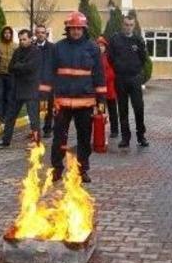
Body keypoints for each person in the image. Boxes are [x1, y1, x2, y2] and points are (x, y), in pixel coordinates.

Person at [39, 11, 106, 183]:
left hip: (85, 103)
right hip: (62, 103)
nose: (76, 31)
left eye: (79, 28)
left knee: (84, 139)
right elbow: (48, 74)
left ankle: (82, 170)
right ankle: (56, 169)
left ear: (84, 29)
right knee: (59, 139)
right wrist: (44, 99)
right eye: (72, 28)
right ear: (67, 29)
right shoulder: (58, 47)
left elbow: (99, 76)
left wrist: (102, 103)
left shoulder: (92, 48)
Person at [0, 29, 41, 148]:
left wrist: (19, 66)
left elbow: (31, 68)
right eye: (20, 39)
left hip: (31, 89)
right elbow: (10, 68)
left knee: (33, 118)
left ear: (31, 39)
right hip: (17, 88)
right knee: (10, 116)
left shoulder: (36, 52)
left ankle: (36, 141)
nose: (22, 42)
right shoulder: (17, 51)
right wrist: (21, 66)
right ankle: (6, 140)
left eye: (24, 39)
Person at [108, 15, 149, 148]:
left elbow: (144, 58)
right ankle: (125, 138)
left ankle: (141, 136)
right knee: (123, 109)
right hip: (120, 79)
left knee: (138, 108)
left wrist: (136, 69)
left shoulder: (138, 39)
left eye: (131, 25)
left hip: (135, 78)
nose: (128, 27)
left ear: (134, 25)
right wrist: (119, 68)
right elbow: (110, 57)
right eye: (126, 24)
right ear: (122, 24)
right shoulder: (115, 39)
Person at [33, 25, 56, 138]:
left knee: (49, 107)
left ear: (46, 34)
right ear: (35, 34)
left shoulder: (52, 48)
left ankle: (48, 129)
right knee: (34, 108)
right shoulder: (31, 48)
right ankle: (35, 130)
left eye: (43, 32)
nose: (41, 34)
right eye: (38, 32)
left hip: (48, 83)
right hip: (34, 83)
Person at [97, 36, 120, 139]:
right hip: (99, 91)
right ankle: (100, 128)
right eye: (99, 45)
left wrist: (104, 78)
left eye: (102, 45)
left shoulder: (109, 57)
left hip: (110, 89)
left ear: (105, 47)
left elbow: (112, 72)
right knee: (100, 110)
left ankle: (114, 130)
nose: (100, 47)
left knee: (112, 111)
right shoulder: (94, 57)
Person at [0, 26, 17, 123]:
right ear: (2, 34)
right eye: (5, 33)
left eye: (9, 33)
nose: (7, 34)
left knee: (9, 96)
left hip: (11, 74)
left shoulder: (15, 46)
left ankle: (7, 116)